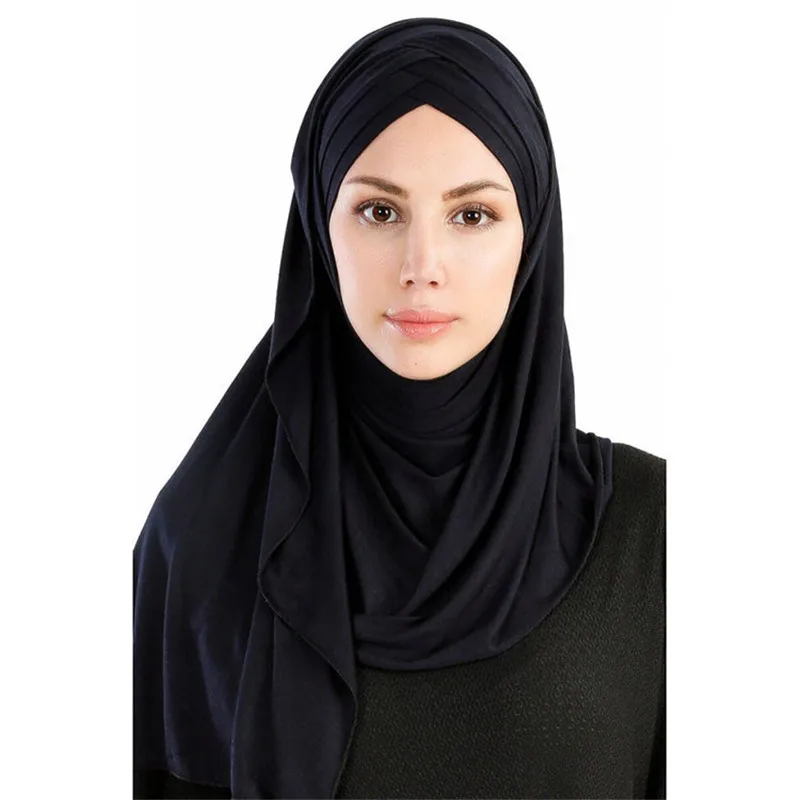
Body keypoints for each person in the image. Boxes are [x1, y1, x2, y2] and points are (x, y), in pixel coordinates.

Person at [133, 16, 665, 800]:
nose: (423, 266)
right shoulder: (200, 546)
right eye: (380, 212)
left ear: (532, 237)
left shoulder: (656, 536)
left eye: (471, 215)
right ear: (319, 229)